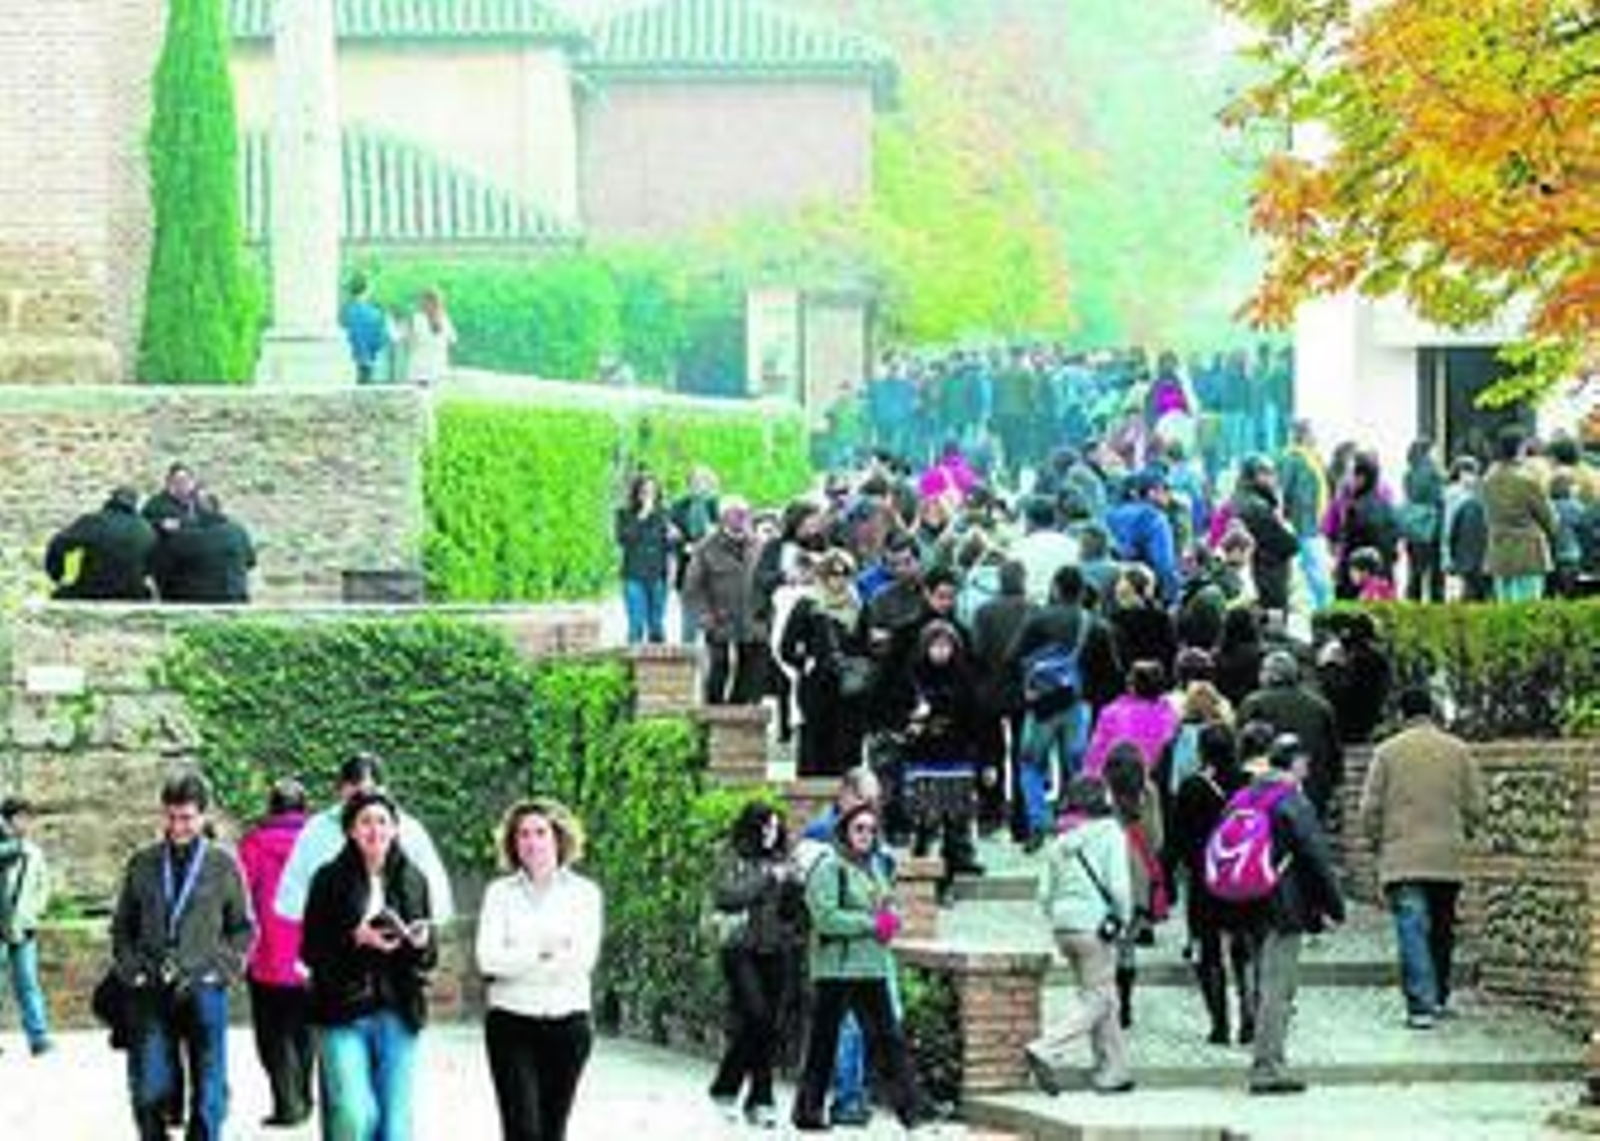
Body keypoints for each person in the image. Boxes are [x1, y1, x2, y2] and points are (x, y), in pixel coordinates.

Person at [111, 770, 255, 1141]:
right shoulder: (143, 862)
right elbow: (122, 925)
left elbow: (243, 928)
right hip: (151, 986)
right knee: (148, 1086)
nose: (178, 826)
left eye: (187, 817)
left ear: (204, 816)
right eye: (171, 817)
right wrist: (132, 970)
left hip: (204, 986)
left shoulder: (223, 863)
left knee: (209, 1088)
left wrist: (221, 971)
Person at [302, 789, 436, 1141]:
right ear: (350, 830)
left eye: (382, 822)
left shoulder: (413, 878)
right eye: (365, 822)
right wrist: (354, 938)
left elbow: (428, 956)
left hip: (399, 1008)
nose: (374, 830)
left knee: (394, 1125)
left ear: (394, 829)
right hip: (341, 1010)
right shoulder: (327, 879)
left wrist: (419, 943)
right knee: (356, 1113)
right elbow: (309, 951)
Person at [790, 803, 924, 1132]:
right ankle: (808, 1111)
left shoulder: (874, 869)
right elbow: (825, 918)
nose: (865, 835)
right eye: (859, 829)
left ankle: (912, 1110)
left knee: (888, 1039)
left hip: (871, 966)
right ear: (845, 832)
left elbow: (885, 906)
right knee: (824, 1042)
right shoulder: (829, 868)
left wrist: (892, 920)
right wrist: (869, 923)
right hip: (836, 969)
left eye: (870, 829)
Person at [475, 799, 603, 1141]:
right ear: (513, 844)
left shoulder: (585, 894)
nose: (532, 842)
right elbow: (488, 959)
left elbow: (581, 961)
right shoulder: (499, 894)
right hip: (511, 1024)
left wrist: (518, 957)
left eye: (540, 833)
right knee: (523, 1130)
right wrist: (542, 950)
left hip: (569, 1024)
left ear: (557, 838)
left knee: (551, 1130)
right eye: (523, 835)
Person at [1358, 689, 1484, 1029]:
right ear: (1432, 712)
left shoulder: (1386, 752)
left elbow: (1370, 808)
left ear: (1401, 714)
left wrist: (1375, 842)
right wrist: (1463, 834)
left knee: (1412, 928)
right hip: (1447, 856)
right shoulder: (1458, 751)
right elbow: (1476, 807)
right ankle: (1440, 996)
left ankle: (1420, 1006)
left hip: (1402, 856)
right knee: (1442, 928)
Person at [1239, 734, 1345, 1095]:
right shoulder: (1292, 801)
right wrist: (1334, 906)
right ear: (1296, 763)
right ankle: (1267, 1067)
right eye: (1306, 762)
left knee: (1260, 982)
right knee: (1277, 988)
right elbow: (1314, 855)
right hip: (1280, 906)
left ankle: (1266, 1058)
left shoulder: (1246, 795)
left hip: (1244, 901)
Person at [1025, 776, 1135, 1096]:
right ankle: (1045, 1046)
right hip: (1095, 926)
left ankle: (1113, 1071)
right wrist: (1123, 919)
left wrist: (1060, 917)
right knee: (1099, 1000)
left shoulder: (1060, 840)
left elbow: (1044, 893)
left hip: (1064, 928)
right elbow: (1118, 885)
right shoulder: (1110, 833)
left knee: (1103, 996)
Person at [797, 768, 890, 1130]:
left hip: (872, 951)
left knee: (878, 1024)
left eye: (876, 801)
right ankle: (845, 1099)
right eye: (866, 800)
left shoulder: (869, 834)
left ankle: (856, 1096)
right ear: (845, 796)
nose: (872, 808)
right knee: (845, 1028)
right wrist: (867, 922)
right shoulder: (822, 835)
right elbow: (820, 903)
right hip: (840, 956)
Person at [1006, 566, 1124, 848]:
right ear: (1082, 591)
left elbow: (1011, 657)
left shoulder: (1037, 619)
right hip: (1078, 704)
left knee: (1031, 764)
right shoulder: (1095, 624)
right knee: (1077, 766)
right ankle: (1075, 824)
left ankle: (1038, 822)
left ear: (1056, 588)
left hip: (1042, 707)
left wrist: (1030, 686)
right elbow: (1112, 672)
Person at [706, 802, 805, 1129]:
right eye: (765, 826)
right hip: (740, 949)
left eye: (776, 827)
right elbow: (726, 895)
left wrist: (793, 885)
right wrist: (767, 880)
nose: (771, 833)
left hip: (776, 950)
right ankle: (736, 1088)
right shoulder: (733, 856)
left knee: (768, 1025)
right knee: (755, 1015)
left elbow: (792, 915)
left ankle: (755, 1096)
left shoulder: (783, 860)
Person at [274, 753, 454, 926]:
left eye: (372, 797)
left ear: (385, 792)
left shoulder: (410, 831)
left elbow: (437, 896)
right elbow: (290, 896)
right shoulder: (316, 830)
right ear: (340, 791)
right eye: (356, 798)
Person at [1168, 724, 1254, 1045]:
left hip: (1205, 880)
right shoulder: (1249, 785)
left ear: (1202, 751)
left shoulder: (1192, 787)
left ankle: (1219, 1025)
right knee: (1243, 948)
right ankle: (1248, 1016)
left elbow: (1176, 839)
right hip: (1244, 878)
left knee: (1209, 952)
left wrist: (1167, 880)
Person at [238, 779, 314, 1128]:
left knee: (272, 1033)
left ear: (271, 807)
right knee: (304, 1030)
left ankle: (287, 1104)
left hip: (266, 955)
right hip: (311, 956)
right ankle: (304, 1096)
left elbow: (239, 900)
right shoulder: (319, 843)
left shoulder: (253, 844)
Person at [779, 549, 869, 778]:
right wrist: (806, 663)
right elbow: (786, 647)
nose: (838, 581)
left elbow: (865, 644)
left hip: (849, 687)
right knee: (815, 742)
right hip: (816, 686)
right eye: (832, 575)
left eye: (844, 575)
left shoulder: (859, 605)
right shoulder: (808, 605)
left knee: (846, 745)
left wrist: (861, 667)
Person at [1237, 651, 1343, 823]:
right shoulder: (1320, 705)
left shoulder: (1253, 704)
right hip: (1312, 791)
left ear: (1268, 675)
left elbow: (1242, 754)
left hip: (1267, 794)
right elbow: (1335, 756)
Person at [683, 498, 766, 706]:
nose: (741, 518)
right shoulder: (706, 548)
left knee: (750, 669)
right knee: (719, 666)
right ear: (723, 518)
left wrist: (766, 614)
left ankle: (734, 713)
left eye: (745, 513)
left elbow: (769, 579)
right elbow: (692, 588)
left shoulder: (759, 545)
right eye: (735, 513)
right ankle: (712, 711)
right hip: (719, 618)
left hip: (752, 619)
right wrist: (704, 616)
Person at [0, 797, 53, 1055]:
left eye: (28, 817)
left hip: (24, 926)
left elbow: (43, 886)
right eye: (21, 817)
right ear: (8, 819)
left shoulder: (34, 852)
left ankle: (39, 1038)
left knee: (29, 984)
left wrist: (36, 913)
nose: (26, 823)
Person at [1482, 429, 1557, 603]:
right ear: (1520, 449)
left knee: (1504, 608)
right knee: (1528, 608)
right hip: (1528, 550)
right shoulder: (1528, 481)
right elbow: (1550, 520)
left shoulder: (1487, 481)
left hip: (1498, 547)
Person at [43, 486, 156, 600]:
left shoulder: (93, 521)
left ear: (111, 500)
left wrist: (57, 574)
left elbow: (58, 544)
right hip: (132, 593)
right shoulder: (145, 528)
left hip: (91, 591)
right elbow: (153, 563)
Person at [149, 491, 256, 603]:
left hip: (192, 601)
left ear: (193, 510)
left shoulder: (182, 537)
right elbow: (250, 562)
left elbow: (159, 569)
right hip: (234, 599)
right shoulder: (238, 531)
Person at [615, 473, 672, 645]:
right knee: (636, 625)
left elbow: (670, 547)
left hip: (657, 575)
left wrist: (674, 537)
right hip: (633, 576)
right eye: (644, 492)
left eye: (652, 492)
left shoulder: (664, 514)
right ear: (636, 493)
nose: (648, 496)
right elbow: (624, 539)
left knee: (657, 626)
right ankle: (633, 669)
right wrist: (642, 516)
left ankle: (658, 669)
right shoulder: (624, 514)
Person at [1400, 439, 1446, 602]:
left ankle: (1413, 602)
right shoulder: (1434, 473)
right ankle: (1436, 607)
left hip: (1413, 526)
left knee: (1415, 572)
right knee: (1436, 573)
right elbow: (1439, 498)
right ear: (1427, 452)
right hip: (1432, 526)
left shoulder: (1408, 473)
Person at [341, 273, 392, 384]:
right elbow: (382, 339)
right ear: (366, 289)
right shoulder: (375, 313)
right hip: (369, 361)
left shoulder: (344, 312)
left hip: (346, 362)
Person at [404, 287, 456, 386]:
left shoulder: (416, 319)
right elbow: (452, 341)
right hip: (438, 370)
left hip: (419, 370)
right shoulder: (445, 320)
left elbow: (408, 341)